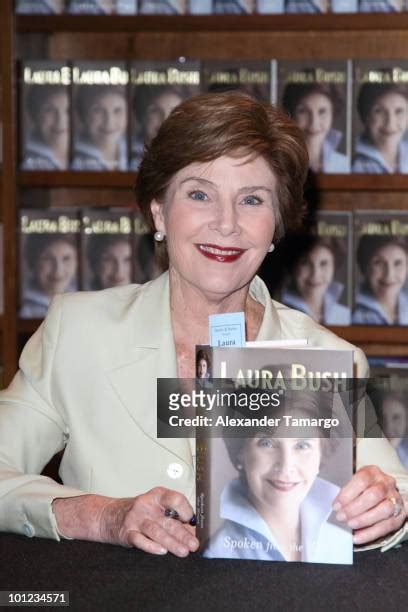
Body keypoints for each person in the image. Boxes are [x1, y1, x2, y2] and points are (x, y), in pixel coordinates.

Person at [0, 92, 406, 557]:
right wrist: (101, 515)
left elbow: (396, 491)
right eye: (199, 194)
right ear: (158, 210)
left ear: (275, 226)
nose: (226, 224)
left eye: (252, 200)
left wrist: (386, 506)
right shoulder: (78, 331)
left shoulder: (325, 357)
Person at [204, 391, 352, 563]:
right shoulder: (217, 554)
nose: (285, 466)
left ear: (321, 455)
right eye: (267, 443)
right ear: (240, 453)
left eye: (302, 445)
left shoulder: (343, 546)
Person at [280, 235, 351, 325]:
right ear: (293, 267)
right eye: (305, 263)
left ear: (334, 266)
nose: (315, 274)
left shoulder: (344, 315)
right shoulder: (279, 312)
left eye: (323, 263)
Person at [282, 81, 349, 173]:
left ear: (333, 113)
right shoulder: (279, 163)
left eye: (322, 111)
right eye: (303, 111)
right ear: (291, 115)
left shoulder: (345, 165)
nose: (314, 123)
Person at [352, 82, 408, 174]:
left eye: (399, 111)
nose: (390, 123)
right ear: (366, 116)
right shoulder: (352, 162)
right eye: (379, 111)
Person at [352, 234, 408, 325]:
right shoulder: (349, 311)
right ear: (365, 266)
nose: (389, 275)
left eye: (398, 263)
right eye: (379, 263)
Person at [19, 234, 79, 318]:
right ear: (33, 262)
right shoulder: (22, 307)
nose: (58, 270)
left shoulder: (83, 298)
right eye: (47, 259)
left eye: (66, 258)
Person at [72, 84, 128, 171]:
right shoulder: (72, 157)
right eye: (98, 110)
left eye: (117, 110)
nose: (109, 121)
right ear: (84, 115)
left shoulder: (136, 152)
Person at [130, 85, 184, 170]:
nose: (165, 119)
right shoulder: (124, 151)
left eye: (174, 112)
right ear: (142, 114)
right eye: (155, 111)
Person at [21, 84, 70, 171]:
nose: (60, 120)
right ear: (34, 114)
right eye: (49, 110)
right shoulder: (25, 160)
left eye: (67, 110)